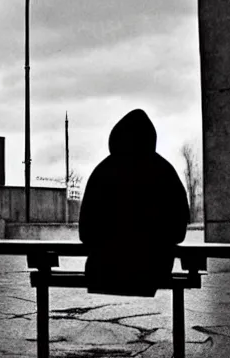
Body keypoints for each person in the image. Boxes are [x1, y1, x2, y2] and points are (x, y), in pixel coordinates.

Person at [78, 109, 190, 296]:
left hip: (103, 271)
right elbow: (178, 233)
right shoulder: (165, 172)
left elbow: (86, 233)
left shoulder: (102, 172)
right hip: (152, 272)